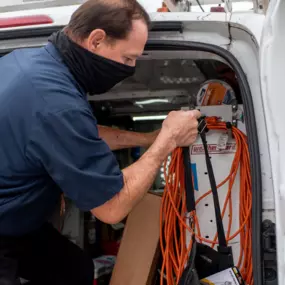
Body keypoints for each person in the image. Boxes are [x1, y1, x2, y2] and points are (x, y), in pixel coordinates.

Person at [0, 0, 200, 284]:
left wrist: (146, 139)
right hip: (5, 229)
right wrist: (167, 141)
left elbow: (77, 133)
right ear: (96, 40)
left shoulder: (26, 62)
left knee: (71, 269)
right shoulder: (57, 103)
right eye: (128, 58)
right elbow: (111, 207)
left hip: (18, 223)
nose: (130, 68)